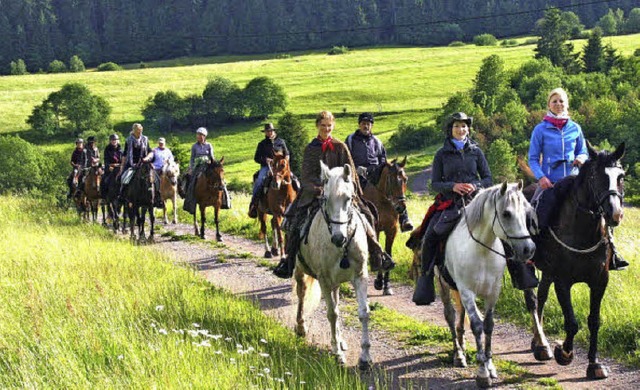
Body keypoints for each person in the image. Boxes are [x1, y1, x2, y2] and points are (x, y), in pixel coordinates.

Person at [273, 110, 395, 279]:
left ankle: (377, 255)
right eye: (323, 125)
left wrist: (351, 189)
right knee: (295, 221)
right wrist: (320, 190)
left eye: (329, 125)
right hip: (315, 194)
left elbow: (351, 171)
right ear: (317, 126)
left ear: (333, 126)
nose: (326, 129)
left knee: (368, 214)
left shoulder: (341, 146)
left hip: (341, 194)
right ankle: (289, 261)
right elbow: (307, 176)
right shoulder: (311, 149)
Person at [528, 87, 628, 271]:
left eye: (561, 101)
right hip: (550, 182)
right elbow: (533, 159)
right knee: (537, 213)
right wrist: (541, 177)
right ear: (549, 104)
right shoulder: (540, 129)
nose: (558, 104)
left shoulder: (575, 128)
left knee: (601, 207)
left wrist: (581, 158)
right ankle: (534, 255)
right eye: (554, 101)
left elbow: (582, 150)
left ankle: (612, 252)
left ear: (567, 104)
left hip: (574, 180)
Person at [410, 112, 493, 305]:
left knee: (502, 227)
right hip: (449, 202)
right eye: (457, 126)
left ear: (468, 129)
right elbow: (435, 183)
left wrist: (476, 186)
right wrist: (453, 186)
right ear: (451, 129)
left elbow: (488, 179)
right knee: (430, 235)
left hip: (475, 201)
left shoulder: (476, 151)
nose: (461, 129)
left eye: (464, 126)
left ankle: (518, 272)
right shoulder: (441, 154)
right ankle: (426, 278)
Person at [346, 112, 413, 232]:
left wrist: (383, 168)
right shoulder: (351, 139)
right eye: (363, 124)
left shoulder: (376, 141)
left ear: (371, 126)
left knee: (394, 184)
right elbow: (347, 158)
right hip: (358, 174)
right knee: (351, 193)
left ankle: (404, 219)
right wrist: (356, 169)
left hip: (375, 172)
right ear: (359, 125)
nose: (366, 126)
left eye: (368, 124)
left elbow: (382, 157)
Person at [182, 127, 231, 214]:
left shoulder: (209, 145)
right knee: (192, 181)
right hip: (198, 166)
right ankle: (189, 200)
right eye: (198, 135)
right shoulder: (194, 146)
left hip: (208, 165)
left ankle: (225, 199)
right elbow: (192, 158)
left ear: (204, 136)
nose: (199, 137)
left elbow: (212, 156)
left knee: (220, 179)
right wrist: (191, 168)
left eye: (201, 135)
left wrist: (211, 162)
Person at [248, 123, 290, 218]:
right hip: (267, 167)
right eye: (267, 131)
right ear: (265, 133)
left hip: (280, 167)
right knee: (259, 181)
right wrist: (265, 160)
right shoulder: (262, 144)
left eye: (271, 131)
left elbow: (287, 154)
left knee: (294, 179)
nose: (269, 133)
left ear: (274, 131)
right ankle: (254, 205)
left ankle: (297, 203)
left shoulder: (281, 142)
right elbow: (256, 158)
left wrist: (285, 161)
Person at [119, 123, 162, 206]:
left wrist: (147, 158)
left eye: (140, 130)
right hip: (132, 164)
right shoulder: (128, 140)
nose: (139, 132)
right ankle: (122, 196)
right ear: (133, 131)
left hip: (144, 163)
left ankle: (158, 198)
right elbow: (125, 154)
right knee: (124, 178)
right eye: (138, 130)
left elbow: (150, 151)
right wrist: (122, 166)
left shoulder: (145, 139)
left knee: (157, 178)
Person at [102, 133, 122, 198]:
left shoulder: (120, 149)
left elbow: (123, 159)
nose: (114, 141)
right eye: (113, 140)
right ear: (110, 141)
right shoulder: (107, 149)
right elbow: (106, 160)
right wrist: (110, 165)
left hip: (120, 167)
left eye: (115, 140)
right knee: (104, 180)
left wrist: (121, 165)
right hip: (111, 167)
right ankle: (104, 195)